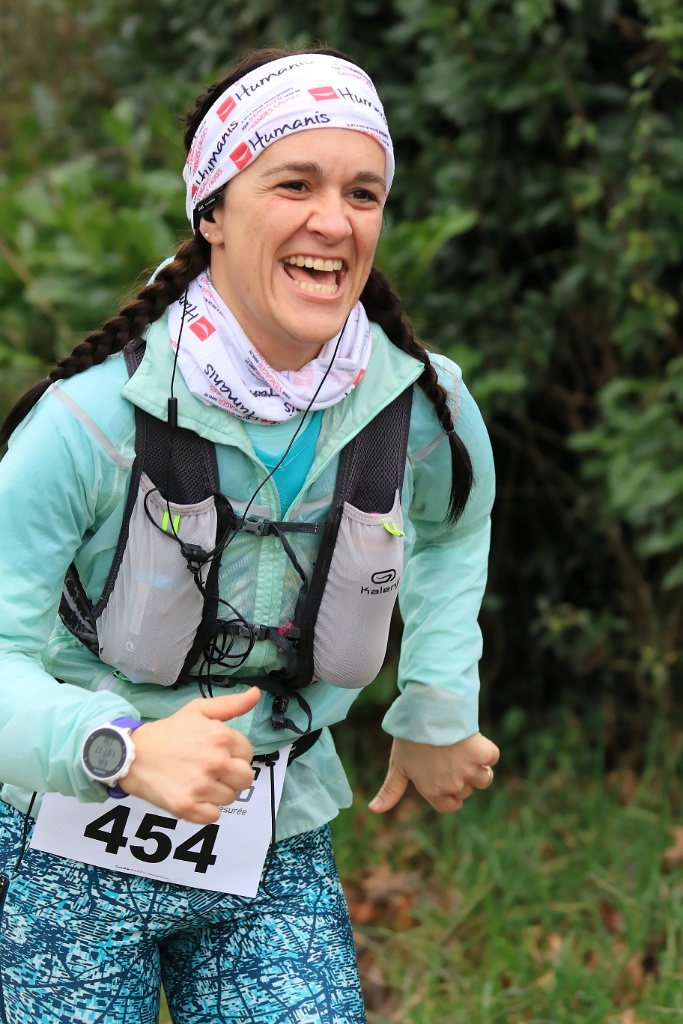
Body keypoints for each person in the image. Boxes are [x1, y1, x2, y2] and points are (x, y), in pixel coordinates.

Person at [0, 45, 499, 1024]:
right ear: (213, 211)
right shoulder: (89, 419)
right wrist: (115, 748)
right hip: (58, 847)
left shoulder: (417, 404)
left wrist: (436, 703)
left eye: (362, 192)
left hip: (272, 841)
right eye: (294, 183)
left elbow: (456, 525)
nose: (334, 220)